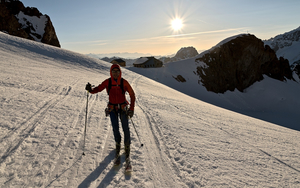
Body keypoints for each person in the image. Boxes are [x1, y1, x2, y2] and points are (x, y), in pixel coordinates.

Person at [85, 64, 135, 167]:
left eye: (117, 71)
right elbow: (98, 88)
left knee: (125, 128)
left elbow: (132, 94)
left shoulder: (123, 82)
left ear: (120, 72)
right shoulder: (107, 82)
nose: (116, 73)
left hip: (122, 108)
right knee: (115, 128)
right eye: (114, 71)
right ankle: (118, 143)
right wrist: (90, 90)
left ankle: (127, 145)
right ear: (111, 72)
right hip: (112, 108)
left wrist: (131, 109)